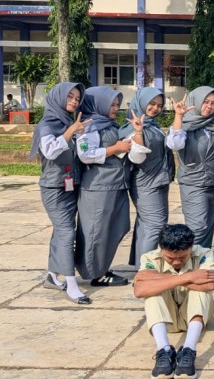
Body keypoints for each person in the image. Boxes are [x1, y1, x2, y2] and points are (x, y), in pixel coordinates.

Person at [29, 82, 91, 304]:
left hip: (71, 185)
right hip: (54, 188)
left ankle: (52, 276)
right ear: (58, 98)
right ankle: (71, 284)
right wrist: (70, 132)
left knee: (61, 231)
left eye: (77, 98)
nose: (74, 101)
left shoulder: (68, 122)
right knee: (66, 232)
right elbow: (50, 151)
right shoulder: (47, 124)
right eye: (70, 97)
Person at [134, 224, 214, 379]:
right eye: (170, 258)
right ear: (161, 249)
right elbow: (139, 290)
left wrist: (158, 278)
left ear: (191, 248)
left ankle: (188, 350)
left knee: (199, 291)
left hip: (194, 318)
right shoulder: (150, 257)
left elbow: (209, 284)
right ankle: (164, 350)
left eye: (183, 257)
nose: (177, 262)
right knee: (152, 294)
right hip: (167, 320)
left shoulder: (204, 253)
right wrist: (189, 277)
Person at [76, 86, 135, 287]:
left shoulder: (110, 125)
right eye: (112, 105)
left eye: (117, 105)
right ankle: (95, 273)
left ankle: (102, 267)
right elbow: (85, 154)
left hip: (116, 184)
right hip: (98, 187)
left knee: (116, 227)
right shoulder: (89, 126)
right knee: (96, 232)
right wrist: (115, 148)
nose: (116, 108)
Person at [120, 87, 175, 268]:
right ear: (142, 103)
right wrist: (138, 132)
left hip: (158, 182)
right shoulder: (134, 128)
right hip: (146, 184)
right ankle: (146, 270)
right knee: (155, 226)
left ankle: (140, 266)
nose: (155, 108)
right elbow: (137, 157)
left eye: (159, 105)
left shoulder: (153, 125)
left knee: (146, 226)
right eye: (151, 103)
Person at [166, 87, 214, 250]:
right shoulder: (184, 124)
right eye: (205, 102)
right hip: (194, 183)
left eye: (213, 103)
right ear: (196, 102)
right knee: (198, 227)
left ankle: (202, 260)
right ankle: (185, 259)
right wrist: (178, 116)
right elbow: (174, 144)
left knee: (209, 226)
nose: (209, 106)